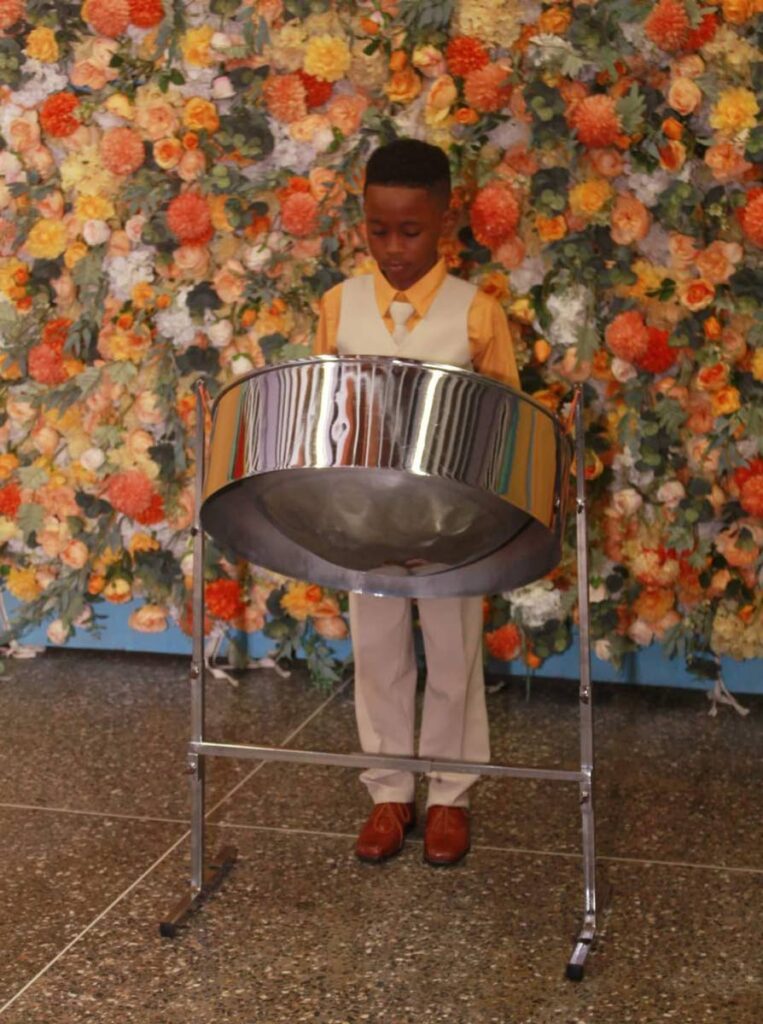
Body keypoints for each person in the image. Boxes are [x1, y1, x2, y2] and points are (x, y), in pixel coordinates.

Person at [313, 138, 520, 866]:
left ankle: (452, 794)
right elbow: (327, 417)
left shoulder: (476, 313)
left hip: (452, 523)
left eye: (410, 231)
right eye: (377, 229)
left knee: (454, 653)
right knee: (376, 652)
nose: (393, 248)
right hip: (366, 518)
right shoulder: (338, 306)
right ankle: (388, 791)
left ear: (443, 222)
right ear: (361, 220)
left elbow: (506, 423)